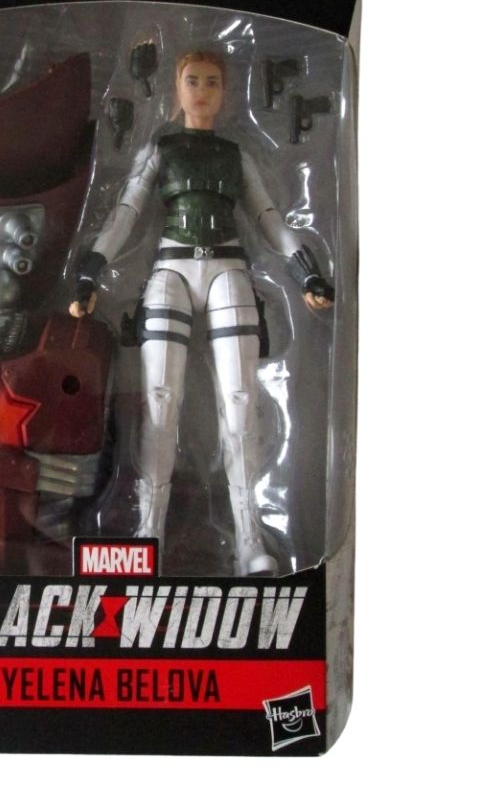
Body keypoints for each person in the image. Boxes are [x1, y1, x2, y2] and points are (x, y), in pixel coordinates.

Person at [70, 50, 333, 575]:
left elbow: (268, 217)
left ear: (225, 92)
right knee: (159, 402)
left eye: (213, 82)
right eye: (193, 80)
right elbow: (126, 213)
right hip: (170, 269)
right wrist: (90, 271)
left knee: (240, 400)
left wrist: (306, 271)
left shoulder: (236, 155)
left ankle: (250, 541)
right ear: (177, 87)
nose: (203, 91)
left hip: (228, 269)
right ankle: (148, 535)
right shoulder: (161, 150)